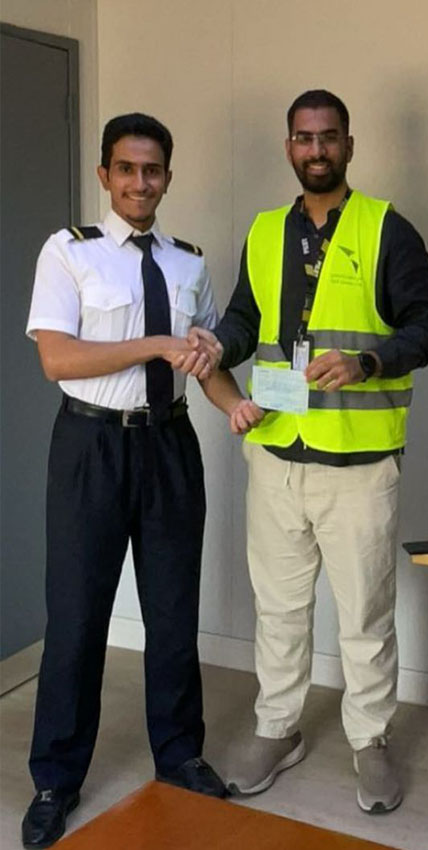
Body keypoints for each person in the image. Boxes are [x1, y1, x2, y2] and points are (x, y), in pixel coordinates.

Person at [188, 89, 428, 814]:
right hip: (275, 453)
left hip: (359, 464)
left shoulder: (387, 229)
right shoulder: (265, 230)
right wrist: (218, 345)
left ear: (349, 145)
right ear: (289, 148)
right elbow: (246, 321)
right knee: (279, 610)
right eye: (304, 138)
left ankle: (370, 740)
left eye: (328, 137)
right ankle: (277, 729)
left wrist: (368, 363)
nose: (316, 149)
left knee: (365, 614)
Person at [21, 113, 255, 849]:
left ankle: (180, 755)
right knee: (77, 617)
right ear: (105, 175)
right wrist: (154, 343)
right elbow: (57, 359)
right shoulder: (68, 253)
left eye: (152, 170)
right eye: (126, 169)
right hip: (89, 446)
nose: (139, 182)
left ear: (167, 178)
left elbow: (203, 362)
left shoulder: (189, 264)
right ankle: (56, 779)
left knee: (174, 611)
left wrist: (234, 403)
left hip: (170, 446)